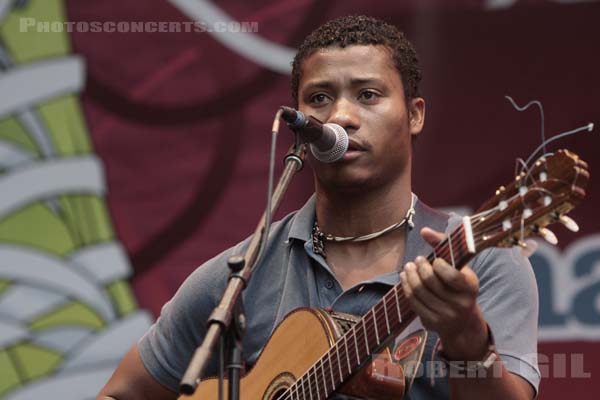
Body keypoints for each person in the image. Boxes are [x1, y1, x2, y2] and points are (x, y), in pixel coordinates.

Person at [97, 15, 540, 400]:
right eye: (320, 98)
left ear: (415, 115)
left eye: (368, 95)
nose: (341, 116)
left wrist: (467, 340)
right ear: (300, 124)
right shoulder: (243, 274)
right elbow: (121, 393)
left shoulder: (482, 262)